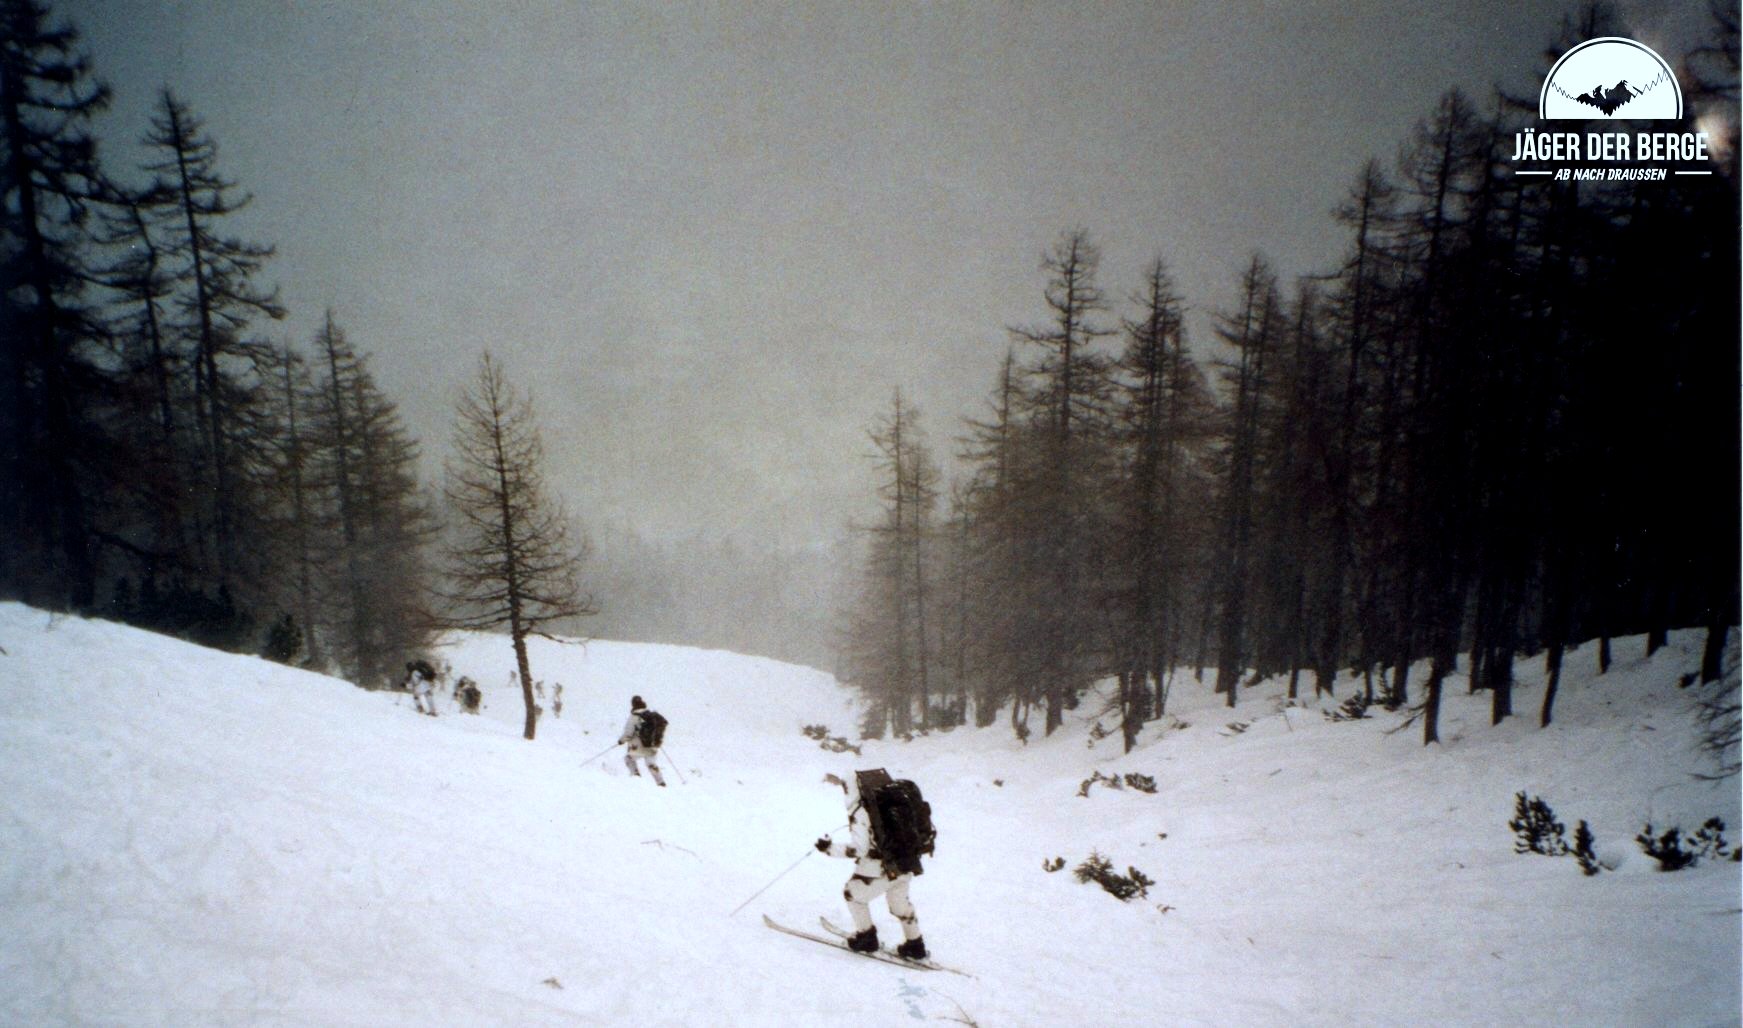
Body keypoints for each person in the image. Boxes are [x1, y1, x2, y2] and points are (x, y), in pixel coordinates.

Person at [815, 772, 926, 960]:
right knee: (899, 904)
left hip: (878, 869)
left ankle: (866, 938)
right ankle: (915, 946)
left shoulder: (861, 811)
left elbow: (859, 849)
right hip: (904, 863)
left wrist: (829, 849)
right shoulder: (894, 806)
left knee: (852, 894)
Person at [617, 695, 666, 787]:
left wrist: (621, 741)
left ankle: (636, 776)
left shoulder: (634, 716)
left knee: (629, 758)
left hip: (638, 746)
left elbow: (628, 733)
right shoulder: (651, 715)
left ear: (633, 704)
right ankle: (660, 782)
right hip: (652, 745)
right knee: (651, 763)